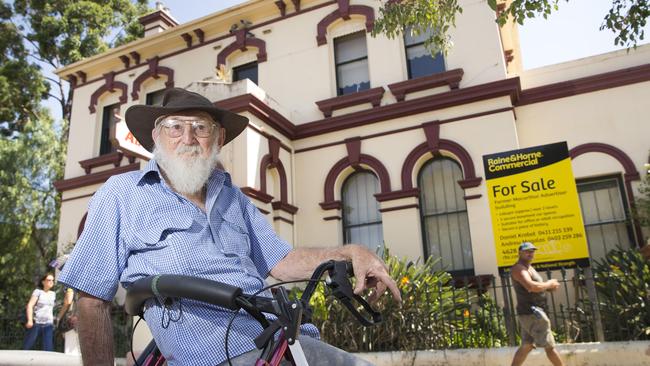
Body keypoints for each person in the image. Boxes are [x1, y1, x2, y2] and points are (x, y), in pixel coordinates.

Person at [58, 88, 402, 366]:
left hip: (283, 341)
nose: (189, 138)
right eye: (175, 127)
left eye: (201, 127)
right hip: (216, 353)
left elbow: (281, 262)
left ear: (218, 138)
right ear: (156, 137)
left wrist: (350, 252)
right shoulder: (122, 194)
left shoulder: (232, 197)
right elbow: (91, 299)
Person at [510, 242, 565, 366]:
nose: (530, 253)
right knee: (549, 347)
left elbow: (537, 287)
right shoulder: (519, 268)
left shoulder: (529, 268)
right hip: (533, 313)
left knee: (527, 346)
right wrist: (549, 284)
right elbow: (530, 286)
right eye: (527, 251)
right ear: (519, 253)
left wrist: (548, 287)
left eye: (532, 251)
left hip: (530, 312)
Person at [23, 273, 56, 351]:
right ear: (43, 282)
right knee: (28, 345)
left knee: (48, 348)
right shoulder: (38, 292)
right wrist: (30, 320)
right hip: (36, 323)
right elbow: (30, 305)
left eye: (52, 280)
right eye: (49, 280)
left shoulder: (53, 294)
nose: (51, 282)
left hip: (48, 324)